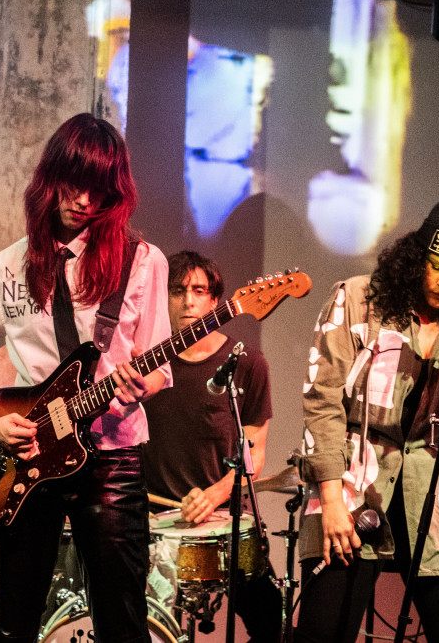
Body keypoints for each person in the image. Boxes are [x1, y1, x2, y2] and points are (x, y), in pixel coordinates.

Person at [0, 112, 171, 643]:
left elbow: (157, 364)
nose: (84, 199)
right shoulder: (8, 267)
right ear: (49, 179)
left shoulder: (142, 262)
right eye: (73, 182)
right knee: (11, 626)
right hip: (25, 458)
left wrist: (143, 385)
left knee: (124, 623)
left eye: (98, 189)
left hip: (111, 456)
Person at [295, 175, 439, 643]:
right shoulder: (357, 298)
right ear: (417, 255)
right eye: (434, 265)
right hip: (352, 487)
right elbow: (323, 400)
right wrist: (332, 500)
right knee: (322, 631)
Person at [141, 250, 282, 641]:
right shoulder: (144, 364)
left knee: (272, 624)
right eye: (177, 291)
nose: (188, 301)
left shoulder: (247, 362)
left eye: (199, 291)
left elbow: (256, 444)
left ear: (215, 301)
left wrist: (216, 494)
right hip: (151, 522)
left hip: (224, 522)